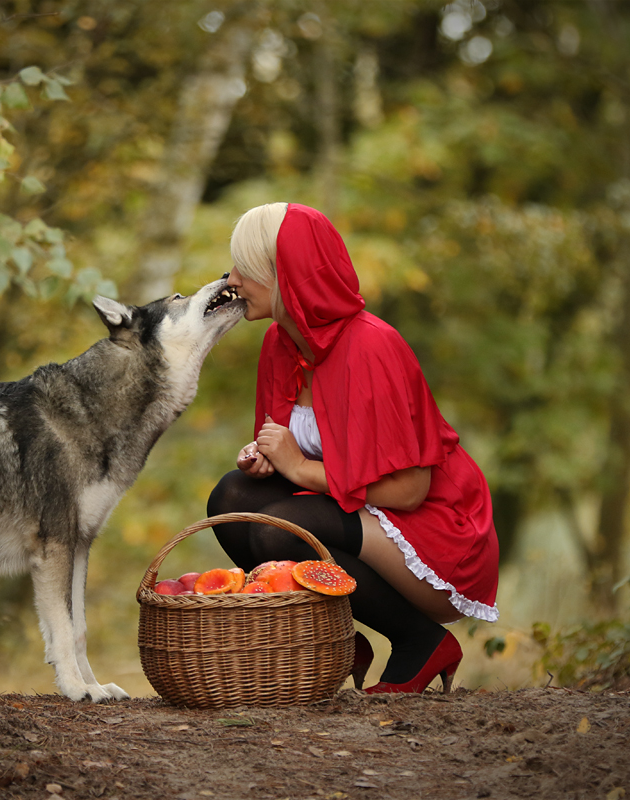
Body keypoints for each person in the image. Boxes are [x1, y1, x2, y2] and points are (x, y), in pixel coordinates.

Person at [207, 202, 499, 694]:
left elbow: (409, 490)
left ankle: (419, 640)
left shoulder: (372, 348)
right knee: (232, 502)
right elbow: (293, 456)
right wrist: (267, 463)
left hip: (432, 528)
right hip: (354, 511)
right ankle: (339, 635)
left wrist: (298, 469)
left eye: (244, 268)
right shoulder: (281, 344)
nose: (230, 278)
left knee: (280, 533)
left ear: (285, 276)